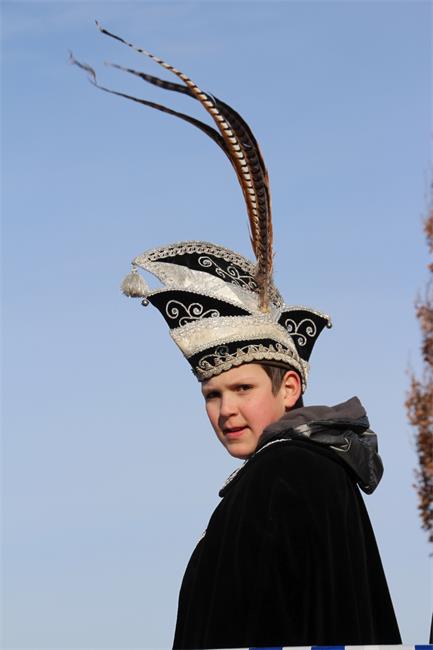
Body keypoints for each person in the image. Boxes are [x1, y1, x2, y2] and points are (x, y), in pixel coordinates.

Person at [73, 24, 401, 649]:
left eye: (242, 388)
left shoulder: (285, 476)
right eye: (212, 394)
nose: (225, 410)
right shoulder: (314, 470)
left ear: (290, 387)